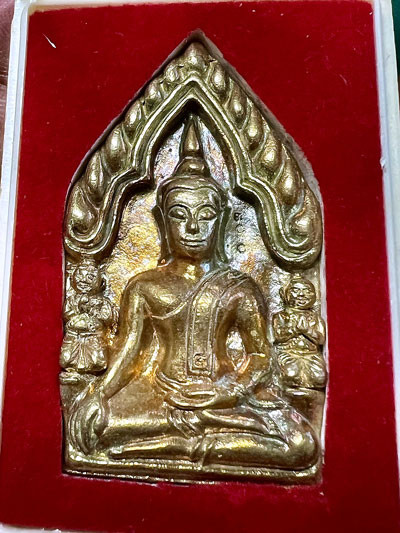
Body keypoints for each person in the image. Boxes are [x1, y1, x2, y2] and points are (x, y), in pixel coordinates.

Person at [69, 116, 318, 471]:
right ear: (162, 222)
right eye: (179, 214)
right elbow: (128, 353)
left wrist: (228, 391)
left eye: (205, 215)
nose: (192, 227)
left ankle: (172, 448)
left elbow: (261, 356)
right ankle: (196, 447)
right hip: (161, 396)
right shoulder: (145, 286)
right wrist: (99, 393)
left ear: (223, 220)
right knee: (94, 427)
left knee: (300, 445)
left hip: (224, 401)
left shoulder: (240, 287)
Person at [273, 274, 327, 389]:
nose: (301, 294)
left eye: (307, 291)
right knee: (291, 374)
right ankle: (292, 391)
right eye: (296, 291)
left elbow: (321, 340)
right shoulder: (282, 316)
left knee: (320, 378)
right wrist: (294, 330)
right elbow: (278, 336)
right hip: (288, 353)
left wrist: (308, 331)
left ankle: (309, 392)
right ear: (284, 294)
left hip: (311, 354)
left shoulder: (315, 318)